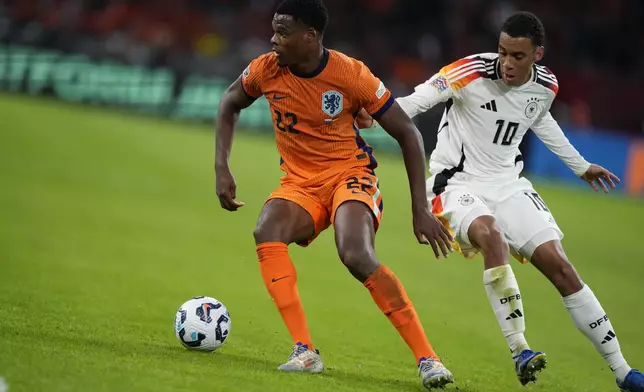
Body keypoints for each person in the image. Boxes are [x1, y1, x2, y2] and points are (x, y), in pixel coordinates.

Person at [358, 11, 643, 392]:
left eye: (518, 56)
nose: (507, 63)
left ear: (537, 54)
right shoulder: (469, 71)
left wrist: (580, 166)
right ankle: (520, 348)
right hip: (455, 183)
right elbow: (418, 100)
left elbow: (540, 120)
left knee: (562, 268)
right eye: (503, 52)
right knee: (490, 234)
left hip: (509, 184)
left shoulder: (546, 86)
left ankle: (623, 371)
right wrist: (375, 116)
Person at [214, 0, 455, 389]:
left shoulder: (351, 74)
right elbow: (229, 102)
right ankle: (304, 351)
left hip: (350, 174)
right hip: (299, 182)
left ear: (310, 37)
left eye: (283, 32)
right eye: (273, 30)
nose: (273, 39)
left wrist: (420, 208)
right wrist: (221, 167)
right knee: (266, 230)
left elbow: (408, 133)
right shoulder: (265, 69)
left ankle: (428, 359)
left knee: (356, 254)